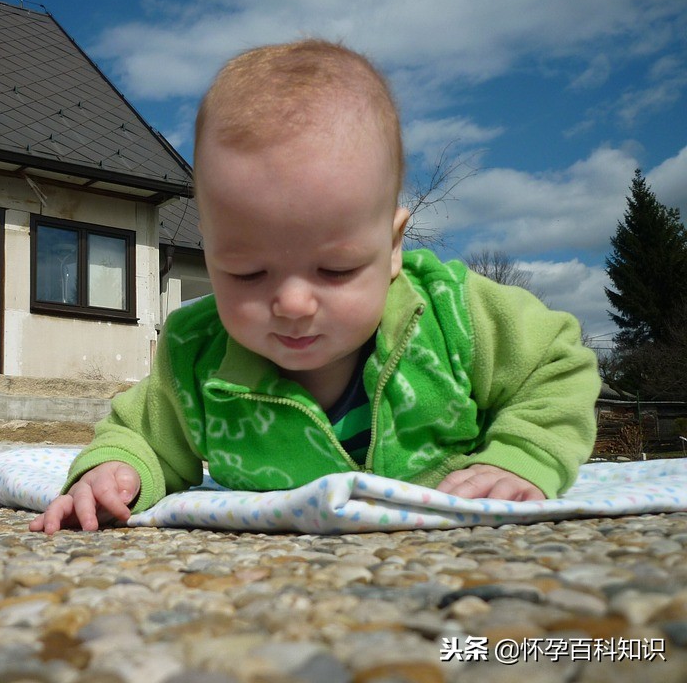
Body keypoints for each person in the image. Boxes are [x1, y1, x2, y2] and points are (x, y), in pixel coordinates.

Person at [30, 39, 600, 535]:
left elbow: (553, 365)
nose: (293, 304)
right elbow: (142, 437)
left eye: (336, 270)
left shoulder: (453, 312)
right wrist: (115, 471)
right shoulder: (196, 355)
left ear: (393, 246)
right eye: (247, 273)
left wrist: (521, 455)